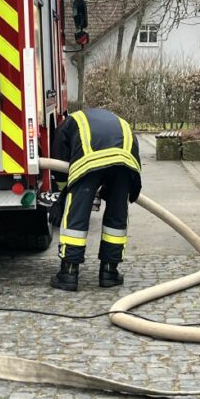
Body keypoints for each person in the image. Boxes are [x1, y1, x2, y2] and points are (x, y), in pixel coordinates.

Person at [50, 108, 142, 292]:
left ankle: (69, 274)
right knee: (117, 214)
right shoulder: (120, 122)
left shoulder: (71, 121)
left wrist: (63, 189)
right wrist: (115, 190)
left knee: (77, 215)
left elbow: (58, 153)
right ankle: (109, 272)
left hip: (89, 159)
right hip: (125, 161)